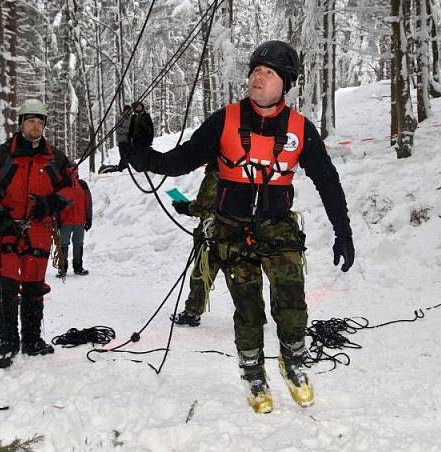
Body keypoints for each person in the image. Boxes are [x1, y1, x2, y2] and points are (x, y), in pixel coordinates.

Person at [120, 40, 354, 413]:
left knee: (292, 299)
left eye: (268, 73)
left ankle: (293, 361)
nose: (257, 78)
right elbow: (182, 160)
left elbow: (327, 180)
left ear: (285, 82)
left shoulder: (300, 129)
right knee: (248, 307)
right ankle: (252, 371)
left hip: (278, 228)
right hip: (232, 229)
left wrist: (343, 231)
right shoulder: (224, 120)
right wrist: (141, 156)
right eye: (254, 71)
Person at [0, 98, 77, 368]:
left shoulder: (55, 159)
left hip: (38, 228)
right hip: (5, 227)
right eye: (31, 121)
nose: (36, 126)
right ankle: (8, 342)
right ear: (21, 123)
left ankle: (32, 339)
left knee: (34, 286)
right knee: (5, 286)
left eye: (40, 122)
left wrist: (52, 202)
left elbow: (72, 188)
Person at [169, 161, 221, 327]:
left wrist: (184, 207)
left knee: (202, 272)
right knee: (241, 278)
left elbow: (203, 204)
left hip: (213, 234)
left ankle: (192, 312)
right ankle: (253, 315)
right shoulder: (240, 170)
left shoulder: (215, 175)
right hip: (237, 232)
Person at [57, 176, 93, 277]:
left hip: (78, 220)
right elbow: (56, 203)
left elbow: (88, 202)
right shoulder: (61, 184)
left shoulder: (82, 185)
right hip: (66, 220)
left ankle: (77, 267)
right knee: (64, 244)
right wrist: (56, 219)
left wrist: (89, 218)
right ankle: (63, 268)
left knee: (77, 243)